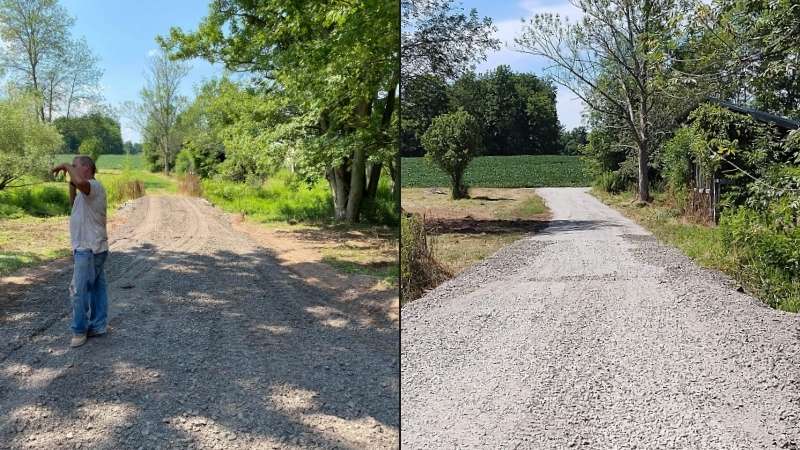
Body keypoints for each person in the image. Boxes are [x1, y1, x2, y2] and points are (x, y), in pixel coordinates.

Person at [51, 156, 109, 348]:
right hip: (92, 246)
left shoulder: (93, 185)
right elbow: (73, 203)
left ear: (86, 168)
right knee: (97, 289)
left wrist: (66, 166)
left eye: (75, 166)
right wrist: (71, 183)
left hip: (89, 248)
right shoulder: (86, 191)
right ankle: (98, 325)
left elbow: (81, 183)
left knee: (78, 290)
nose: (72, 169)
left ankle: (79, 330)